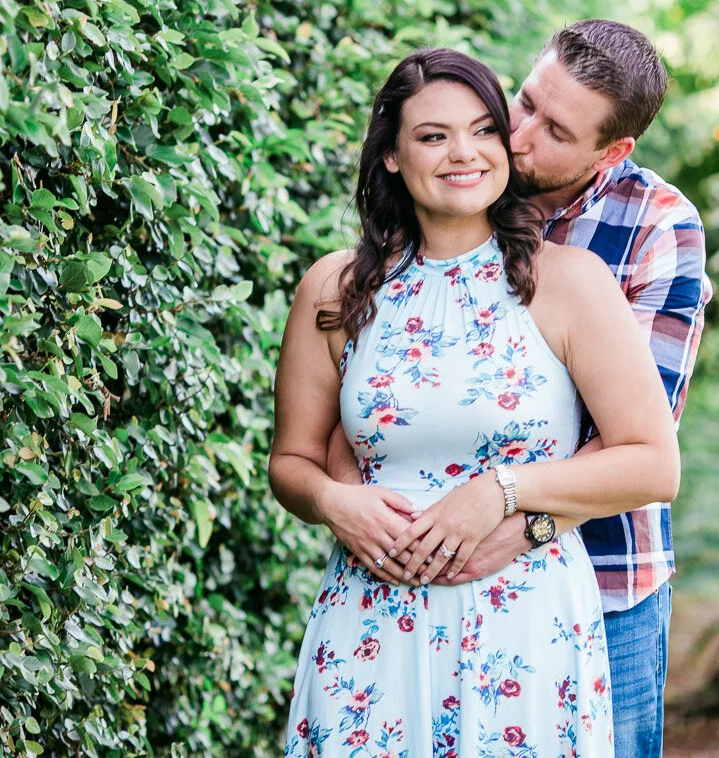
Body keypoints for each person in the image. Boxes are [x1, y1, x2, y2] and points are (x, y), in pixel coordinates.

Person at [269, 47, 680, 757]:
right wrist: (336, 504)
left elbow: (653, 463)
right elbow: (293, 460)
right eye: (432, 136)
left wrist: (502, 491)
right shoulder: (333, 288)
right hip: (372, 620)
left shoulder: (573, 283)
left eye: (483, 130)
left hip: (524, 627)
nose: (465, 152)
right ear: (392, 156)